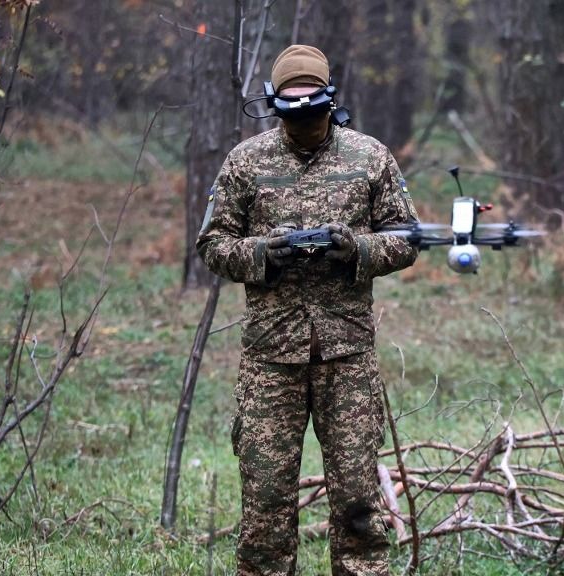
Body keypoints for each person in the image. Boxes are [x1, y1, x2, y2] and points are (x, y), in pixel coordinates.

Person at [196, 45, 420, 576]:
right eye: (290, 108)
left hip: (348, 352)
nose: (302, 119)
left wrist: (357, 250)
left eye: (311, 106)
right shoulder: (246, 162)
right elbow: (212, 243)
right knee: (266, 502)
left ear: (329, 100)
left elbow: (406, 237)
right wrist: (261, 254)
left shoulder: (369, 157)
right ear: (274, 105)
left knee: (359, 498)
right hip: (271, 356)